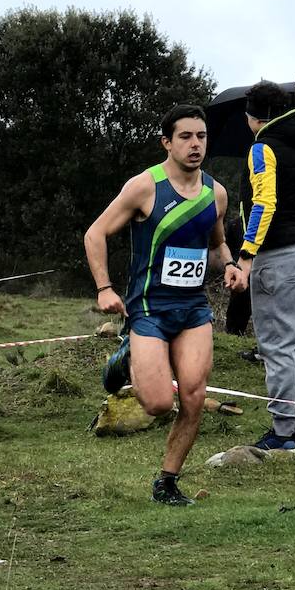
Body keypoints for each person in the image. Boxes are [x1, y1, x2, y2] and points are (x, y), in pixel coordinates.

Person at [84, 104, 237, 505]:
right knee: (156, 403)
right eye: (185, 137)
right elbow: (95, 234)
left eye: (201, 137)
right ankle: (125, 355)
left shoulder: (215, 194)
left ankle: (167, 482)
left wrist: (233, 265)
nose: (195, 145)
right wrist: (104, 288)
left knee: (193, 396)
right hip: (148, 309)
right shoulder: (144, 187)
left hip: (193, 310)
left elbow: (217, 242)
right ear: (167, 142)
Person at [224, 82, 295, 451]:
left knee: (275, 347)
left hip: (274, 259)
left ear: (254, 118)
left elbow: (263, 203)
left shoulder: (261, 148)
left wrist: (246, 254)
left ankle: (283, 432)